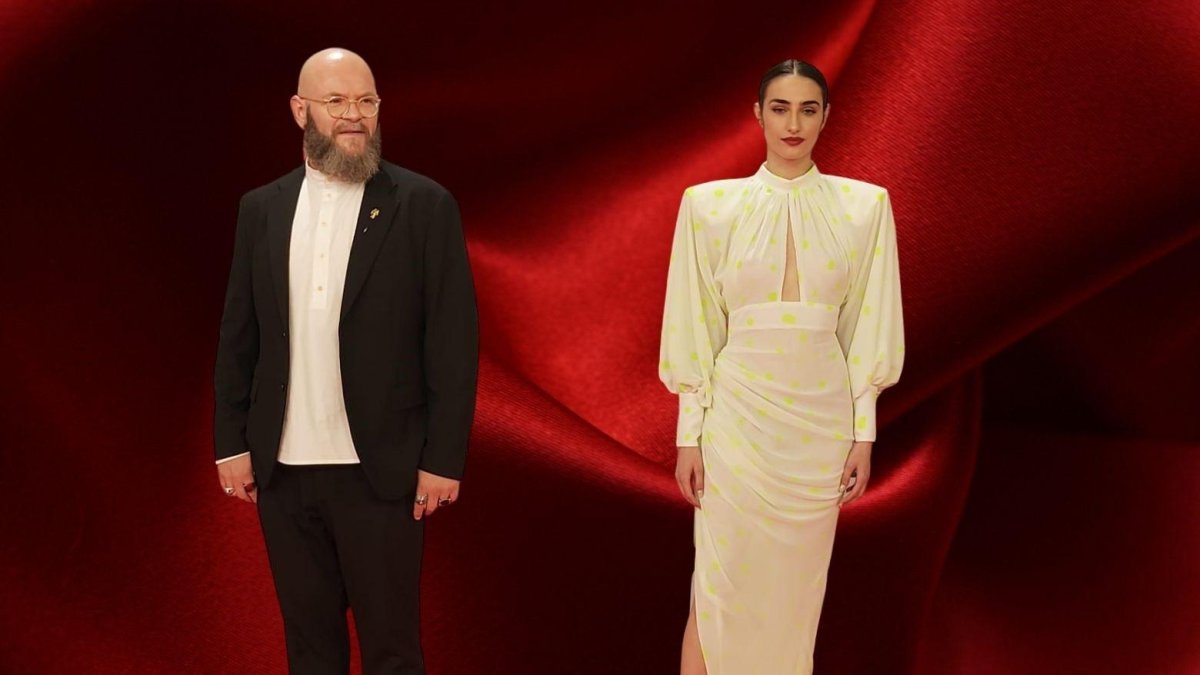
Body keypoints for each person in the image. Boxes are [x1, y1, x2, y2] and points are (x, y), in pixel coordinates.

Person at [212, 47, 478, 674]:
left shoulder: (423, 204)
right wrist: (231, 444)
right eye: (336, 102)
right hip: (282, 466)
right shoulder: (261, 208)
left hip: (381, 469)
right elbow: (238, 333)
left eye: (366, 101)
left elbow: (452, 340)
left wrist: (442, 459)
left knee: (391, 648)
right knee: (309, 648)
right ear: (300, 110)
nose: (354, 115)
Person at [659, 59, 905, 674]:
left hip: (817, 432)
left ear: (826, 117)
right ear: (757, 115)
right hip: (736, 425)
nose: (793, 123)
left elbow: (868, 328)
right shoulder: (708, 207)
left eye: (808, 108)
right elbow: (694, 326)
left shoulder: (865, 208)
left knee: (796, 600)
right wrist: (689, 434)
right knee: (717, 589)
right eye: (779, 107)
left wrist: (863, 431)